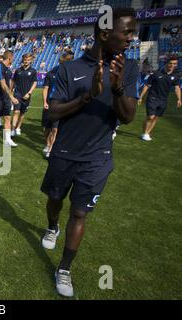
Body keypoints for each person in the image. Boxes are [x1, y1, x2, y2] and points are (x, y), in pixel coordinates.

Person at [40, 8, 140, 297]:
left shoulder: (129, 68)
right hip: (64, 152)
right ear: (105, 34)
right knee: (55, 199)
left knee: (80, 213)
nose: (131, 39)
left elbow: (128, 117)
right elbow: (54, 111)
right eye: (127, 32)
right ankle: (51, 227)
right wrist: (89, 96)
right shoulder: (69, 69)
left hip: (98, 158)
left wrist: (118, 88)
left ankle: (64, 269)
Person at [139, 56, 181, 141]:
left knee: (155, 118)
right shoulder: (156, 73)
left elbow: (177, 88)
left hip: (163, 100)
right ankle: (145, 133)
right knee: (150, 117)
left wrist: (179, 99)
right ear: (166, 63)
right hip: (152, 98)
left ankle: (146, 133)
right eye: (170, 63)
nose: (172, 65)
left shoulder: (175, 76)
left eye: (174, 64)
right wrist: (141, 97)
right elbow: (147, 85)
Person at [41, 50, 74, 158]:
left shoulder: (70, 74)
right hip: (50, 103)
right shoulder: (51, 73)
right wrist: (45, 102)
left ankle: (51, 149)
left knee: (55, 129)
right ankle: (47, 144)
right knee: (47, 127)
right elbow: (45, 88)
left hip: (61, 104)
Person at [0, 50, 19, 147]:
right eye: (12, 58)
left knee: (7, 117)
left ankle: (8, 139)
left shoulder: (8, 70)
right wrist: (12, 97)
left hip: (5, 98)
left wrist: (9, 95)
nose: (13, 60)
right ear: (9, 58)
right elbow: (2, 84)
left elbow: (8, 84)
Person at [10, 53, 37, 137]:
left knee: (22, 113)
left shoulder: (33, 71)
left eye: (28, 60)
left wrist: (29, 93)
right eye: (25, 59)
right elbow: (13, 81)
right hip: (17, 94)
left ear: (31, 61)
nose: (26, 61)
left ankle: (18, 127)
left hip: (26, 96)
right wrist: (10, 92)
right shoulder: (18, 70)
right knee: (16, 111)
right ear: (23, 60)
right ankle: (12, 129)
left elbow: (35, 83)